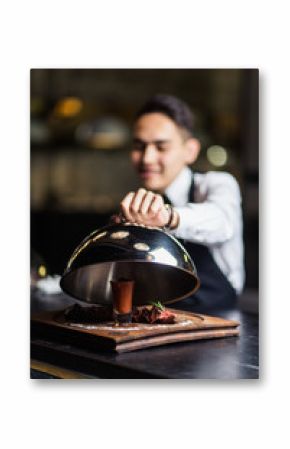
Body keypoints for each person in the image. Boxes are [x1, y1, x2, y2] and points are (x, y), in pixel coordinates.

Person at [117, 94, 244, 311]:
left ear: (190, 151)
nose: (147, 158)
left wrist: (168, 217)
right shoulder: (136, 205)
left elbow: (224, 222)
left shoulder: (216, 184)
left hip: (218, 323)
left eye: (161, 147)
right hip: (156, 325)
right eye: (139, 146)